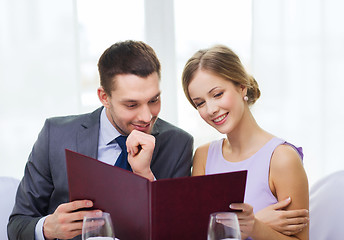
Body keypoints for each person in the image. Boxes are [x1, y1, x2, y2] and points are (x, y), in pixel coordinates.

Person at [8, 40, 193, 240]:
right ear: (104, 97)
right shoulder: (55, 135)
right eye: (131, 105)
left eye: (154, 100)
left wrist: (145, 176)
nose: (147, 116)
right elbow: (17, 225)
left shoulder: (178, 144)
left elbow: (178, 233)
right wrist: (47, 228)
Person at [182, 45, 309, 240]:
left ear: (242, 86)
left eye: (217, 94)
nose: (211, 109)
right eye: (200, 103)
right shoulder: (203, 156)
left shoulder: (282, 159)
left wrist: (255, 227)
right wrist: (253, 223)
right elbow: (196, 235)